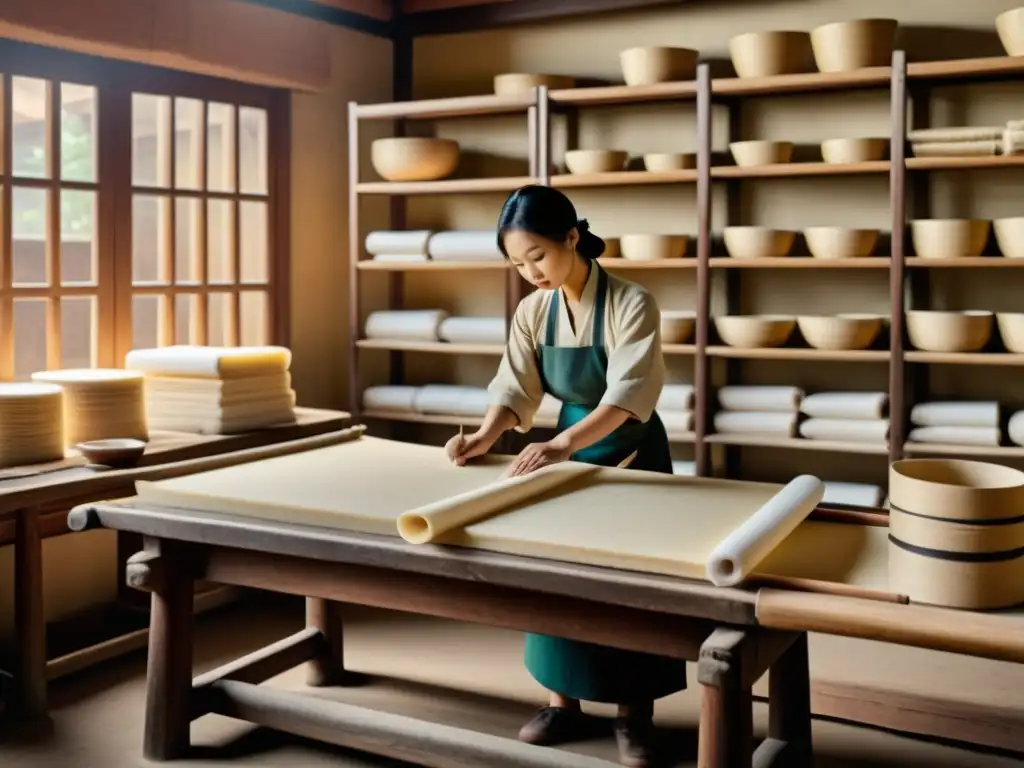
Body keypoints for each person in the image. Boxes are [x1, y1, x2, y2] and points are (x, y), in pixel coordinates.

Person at [444, 184, 685, 768]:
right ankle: (561, 702)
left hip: (628, 451)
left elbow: (628, 396)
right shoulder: (533, 311)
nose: (530, 273)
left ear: (572, 238)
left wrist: (561, 444)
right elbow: (515, 386)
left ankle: (635, 716)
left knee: (629, 586)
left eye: (538, 257)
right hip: (563, 450)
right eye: (517, 263)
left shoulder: (632, 302)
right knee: (554, 572)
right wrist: (485, 435)